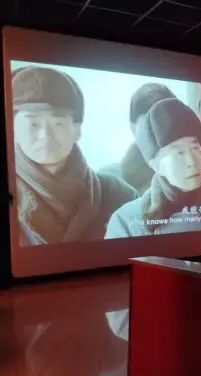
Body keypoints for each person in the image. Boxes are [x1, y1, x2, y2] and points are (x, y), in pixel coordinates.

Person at [12, 66, 138, 246]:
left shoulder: (119, 195)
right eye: (33, 124)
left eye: (58, 123)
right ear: (13, 129)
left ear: (77, 130)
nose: (45, 135)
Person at [105, 98, 201, 238]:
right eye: (179, 153)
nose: (191, 162)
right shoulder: (126, 222)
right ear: (156, 165)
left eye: (195, 148)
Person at [101, 83, 176, 195]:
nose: (158, 134)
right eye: (149, 126)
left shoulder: (195, 178)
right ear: (133, 128)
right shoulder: (107, 184)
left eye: (164, 125)